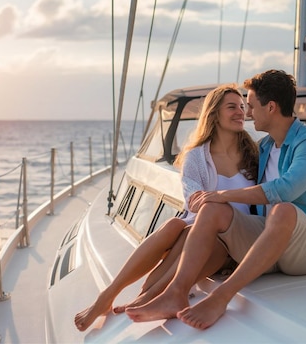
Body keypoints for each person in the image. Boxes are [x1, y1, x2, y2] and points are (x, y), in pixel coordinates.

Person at [125, 69, 306, 329]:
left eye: (251, 106)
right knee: (212, 208)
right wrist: (214, 201)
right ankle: (176, 293)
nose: (248, 113)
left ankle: (220, 298)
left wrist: (222, 193)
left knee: (283, 210)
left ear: (272, 107)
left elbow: (284, 190)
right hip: (270, 243)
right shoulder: (264, 148)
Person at [74, 83, 259, 332]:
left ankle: (144, 297)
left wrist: (212, 199)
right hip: (203, 230)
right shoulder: (196, 156)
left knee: (187, 230)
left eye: (242, 106)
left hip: (233, 240)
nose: (240, 112)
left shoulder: (254, 154)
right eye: (231, 107)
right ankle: (110, 295)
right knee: (175, 225)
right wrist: (210, 202)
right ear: (213, 113)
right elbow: (193, 199)